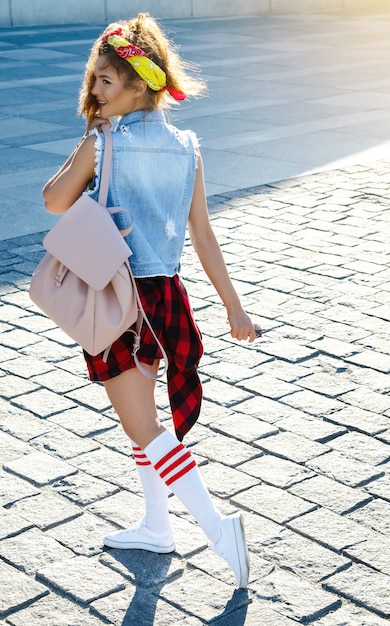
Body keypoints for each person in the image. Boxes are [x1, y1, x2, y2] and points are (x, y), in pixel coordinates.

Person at [42, 12, 257, 589]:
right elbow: (203, 234)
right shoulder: (187, 145)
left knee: (143, 427)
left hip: (117, 298)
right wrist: (233, 307)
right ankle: (156, 525)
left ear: (140, 85)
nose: (95, 91)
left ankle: (216, 526)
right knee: (146, 420)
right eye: (95, 80)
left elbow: (53, 200)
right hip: (165, 296)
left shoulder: (103, 139)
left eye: (106, 81)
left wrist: (88, 143)